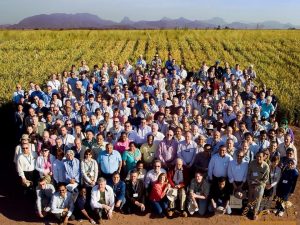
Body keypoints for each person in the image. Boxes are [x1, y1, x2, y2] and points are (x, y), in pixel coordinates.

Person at [247, 152, 270, 220]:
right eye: (257, 156)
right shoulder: (252, 163)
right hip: (251, 183)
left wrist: (259, 183)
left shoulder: (266, 166)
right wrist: (250, 183)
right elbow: (248, 174)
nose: (258, 158)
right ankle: (249, 210)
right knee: (250, 198)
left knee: (258, 199)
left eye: (260, 157)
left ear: (263, 157)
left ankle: (255, 213)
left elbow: (266, 179)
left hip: (260, 185)